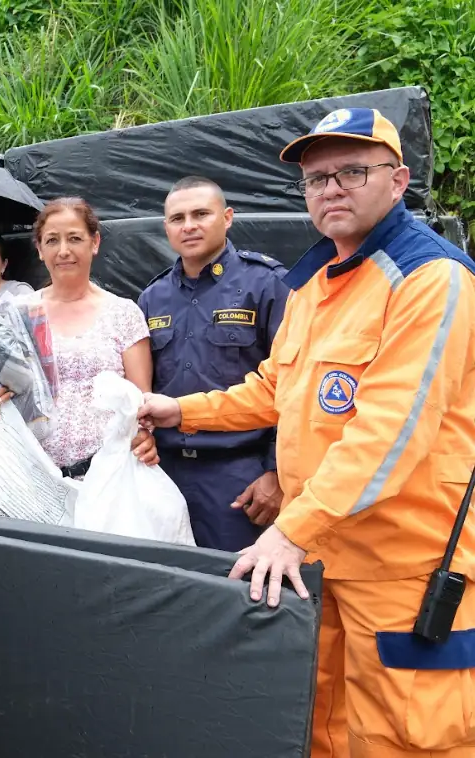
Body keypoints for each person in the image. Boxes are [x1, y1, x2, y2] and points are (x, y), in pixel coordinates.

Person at [138, 108, 475, 757]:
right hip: (324, 561)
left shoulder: (432, 278)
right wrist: (181, 411)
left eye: (353, 171)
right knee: (321, 726)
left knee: (410, 738)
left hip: (403, 568)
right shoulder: (316, 281)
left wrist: (289, 530)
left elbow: (391, 432)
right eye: (317, 179)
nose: (332, 189)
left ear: (399, 180)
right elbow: (275, 387)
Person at [137, 176, 289, 551]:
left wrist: (276, 473)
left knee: (236, 593)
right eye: (177, 218)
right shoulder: (152, 298)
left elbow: (292, 386)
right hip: (164, 471)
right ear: (166, 227)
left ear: (228, 217)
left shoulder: (268, 284)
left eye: (201, 214)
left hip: (239, 477)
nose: (188, 226)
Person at [0, 197, 157, 477]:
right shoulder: (18, 313)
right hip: (28, 476)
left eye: (75, 238)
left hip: (107, 477)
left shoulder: (124, 314)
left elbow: (142, 402)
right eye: (52, 241)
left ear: (95, 242)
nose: (63, 251)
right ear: (40, 249)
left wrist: (145, 436)